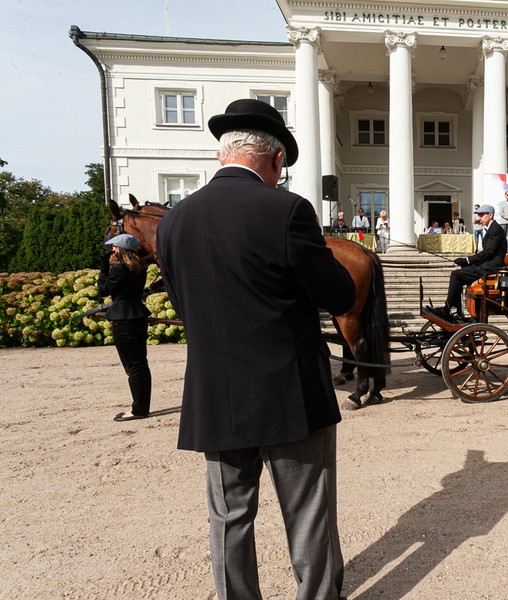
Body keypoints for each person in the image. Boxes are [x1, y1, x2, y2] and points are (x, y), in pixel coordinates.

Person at [156, 98, 354, 600]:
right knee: (307, 512)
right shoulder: (287, 209)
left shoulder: (175, 221)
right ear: (276, 160)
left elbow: (184, 304)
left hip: (216, 392)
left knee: (228, 517)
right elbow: (338, 294)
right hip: (290, 390)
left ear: (225, 152)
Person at [98, 233, 152, 422]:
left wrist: (104, 268)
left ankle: (138, 410)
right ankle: (142, 407)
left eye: (114, 248)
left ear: (121, 249)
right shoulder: (140, 268)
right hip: (138, 316)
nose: (112, 251)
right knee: (141, 364)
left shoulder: (119, 270)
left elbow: (102, 290)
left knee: (133, 367)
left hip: (123, 320)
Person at [429, 204, 506, 321]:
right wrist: (467, 262)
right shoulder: (491, 229)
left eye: (481, 215)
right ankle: (459, 312)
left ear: (490, 215)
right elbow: (488, 253)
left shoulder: (495, 229)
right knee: (460, 274)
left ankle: (447, 309)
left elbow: (488, 253)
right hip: (486, 266)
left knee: (456, 275)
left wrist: (468, 260)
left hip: (491, 269)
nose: (479, 218)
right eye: (478, 215)